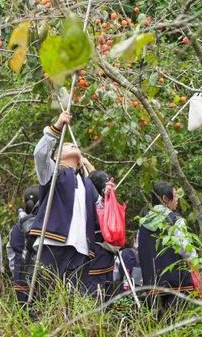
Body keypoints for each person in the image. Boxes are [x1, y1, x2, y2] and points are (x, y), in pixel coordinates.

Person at [29, 111, 99, 293]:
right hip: (54, 242)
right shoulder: (53, 173)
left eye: (74, 145)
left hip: (81, 248)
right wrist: (57, 127)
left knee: (73, 299)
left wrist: (87, 165)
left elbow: (103, 208)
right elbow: (39, 155)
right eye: (67, 145)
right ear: (56, 156)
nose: (72, 145)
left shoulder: (87, 184)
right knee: (46, 294)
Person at [138, 182, 197, 313]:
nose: (177, 199)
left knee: (158, 326)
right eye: (175, 196)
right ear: (165, 198)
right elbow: (188, 253)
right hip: (178, 285)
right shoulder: (175, 220)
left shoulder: (142, 225)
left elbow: (140, 253)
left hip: (152, 286)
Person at [83, 170, 116, 299]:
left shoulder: (90, 202)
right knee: (102, 294)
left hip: (96, 257)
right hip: (102, 256)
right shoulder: (105, 205)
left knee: (94, 295)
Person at [6, 186, 40, 302]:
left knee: (24, 313)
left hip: (20, 277)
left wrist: (15, 274)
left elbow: (10, 253)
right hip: (40, 277)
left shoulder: (16, 228)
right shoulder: (44, 225)